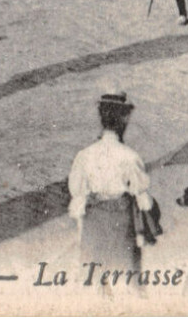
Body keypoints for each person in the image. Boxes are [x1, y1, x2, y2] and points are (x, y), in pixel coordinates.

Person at [68, 89, 160, 272]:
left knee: (92, 272)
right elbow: (143, 197)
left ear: (101, 118)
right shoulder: (129, 156)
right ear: (124, 120)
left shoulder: (84, 155)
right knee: (125, 272)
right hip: (121, 220)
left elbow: (77, 193)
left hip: (94, 220)